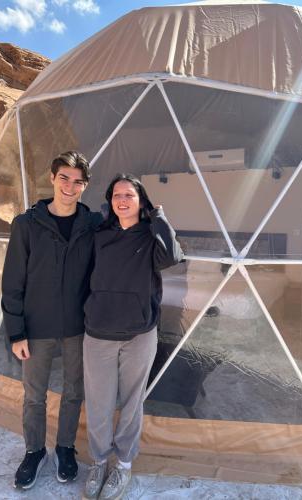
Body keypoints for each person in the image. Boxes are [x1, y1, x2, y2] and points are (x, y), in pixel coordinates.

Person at [1, 151, 102, 490]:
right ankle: (34, 451)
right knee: (34, 395)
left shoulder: (93, 226)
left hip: (77, 328)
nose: (70, 187)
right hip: (37, 328)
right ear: (52, 177)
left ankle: (65, 448)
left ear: (84, 186)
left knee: (74, 392)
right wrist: (16, 332)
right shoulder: (27, 225)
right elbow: (13, 282)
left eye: (77, 182)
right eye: (64, 178)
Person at [82, 173, 183, 500]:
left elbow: (172, 257)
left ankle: (123, 465)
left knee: (131, 403)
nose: (122, 200)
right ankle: (98, 461)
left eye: (129, 195)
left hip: (139, 333)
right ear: (110, 202)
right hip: (99, 332)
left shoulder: (151, 236)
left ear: (142, 202)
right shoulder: (99, 234)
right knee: (98, 402)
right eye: (116, 195)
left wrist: (160, 218)